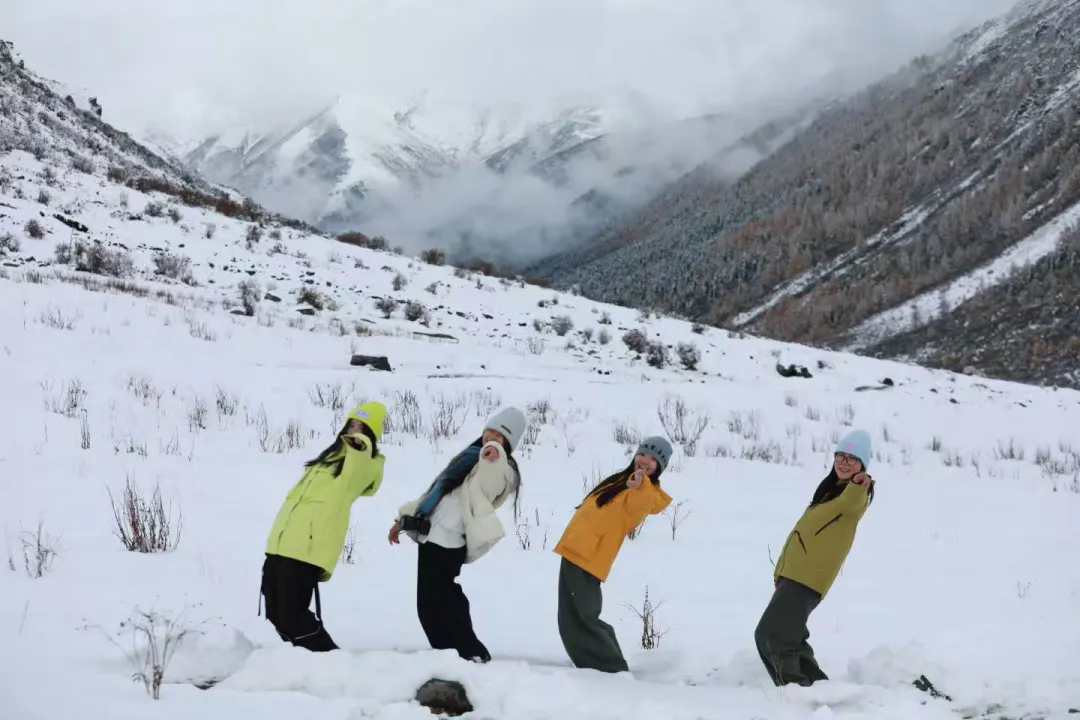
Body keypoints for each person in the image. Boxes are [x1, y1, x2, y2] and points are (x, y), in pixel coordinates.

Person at [388, 407, 526, 663]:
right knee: (428, 604)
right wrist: (403, 519)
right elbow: (434, 493)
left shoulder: (502, 468)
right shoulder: (468, 458)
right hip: (431, 535)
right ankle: (448, 653)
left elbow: (488, 482)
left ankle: (469, 651)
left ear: (508, 443)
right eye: (489, 431)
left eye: (499, 436)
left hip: (451, 540)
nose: (491, 438)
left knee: (445, 599)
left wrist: (493, 454)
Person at [260, 401, 386, 652]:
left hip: (308, 548)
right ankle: (304, 659)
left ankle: (329, 660)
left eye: (362, 426)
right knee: (275, 612)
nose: (353, 429)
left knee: (292, 613)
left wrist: (361, 445)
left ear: (371, 433)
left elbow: (362, 470)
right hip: (283, 543)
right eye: (351, 423)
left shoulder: (365, 464)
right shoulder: (328, 459)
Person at [755, 428, 877, 686]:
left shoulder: (853, 495)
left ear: (862, 465)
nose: (844, 462)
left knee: (770, 635)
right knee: (792, 638)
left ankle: (795, 690)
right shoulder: (831, 491)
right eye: (840, 456)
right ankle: (820, 689)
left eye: (853, 459)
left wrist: (860, 483)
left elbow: (853, 500)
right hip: (795, 574)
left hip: (807, 578)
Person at [553, 436, 674, 673]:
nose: (645, 460)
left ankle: (609, 667)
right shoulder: (621, 480)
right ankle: (601, 661)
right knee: (572, 615)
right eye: (643, 454)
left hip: (589, 555)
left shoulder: (647, 492)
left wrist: (639, 484)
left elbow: (643, 502)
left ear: (660, 466)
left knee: (583, 616)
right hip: (577, 549)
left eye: (653, 458)